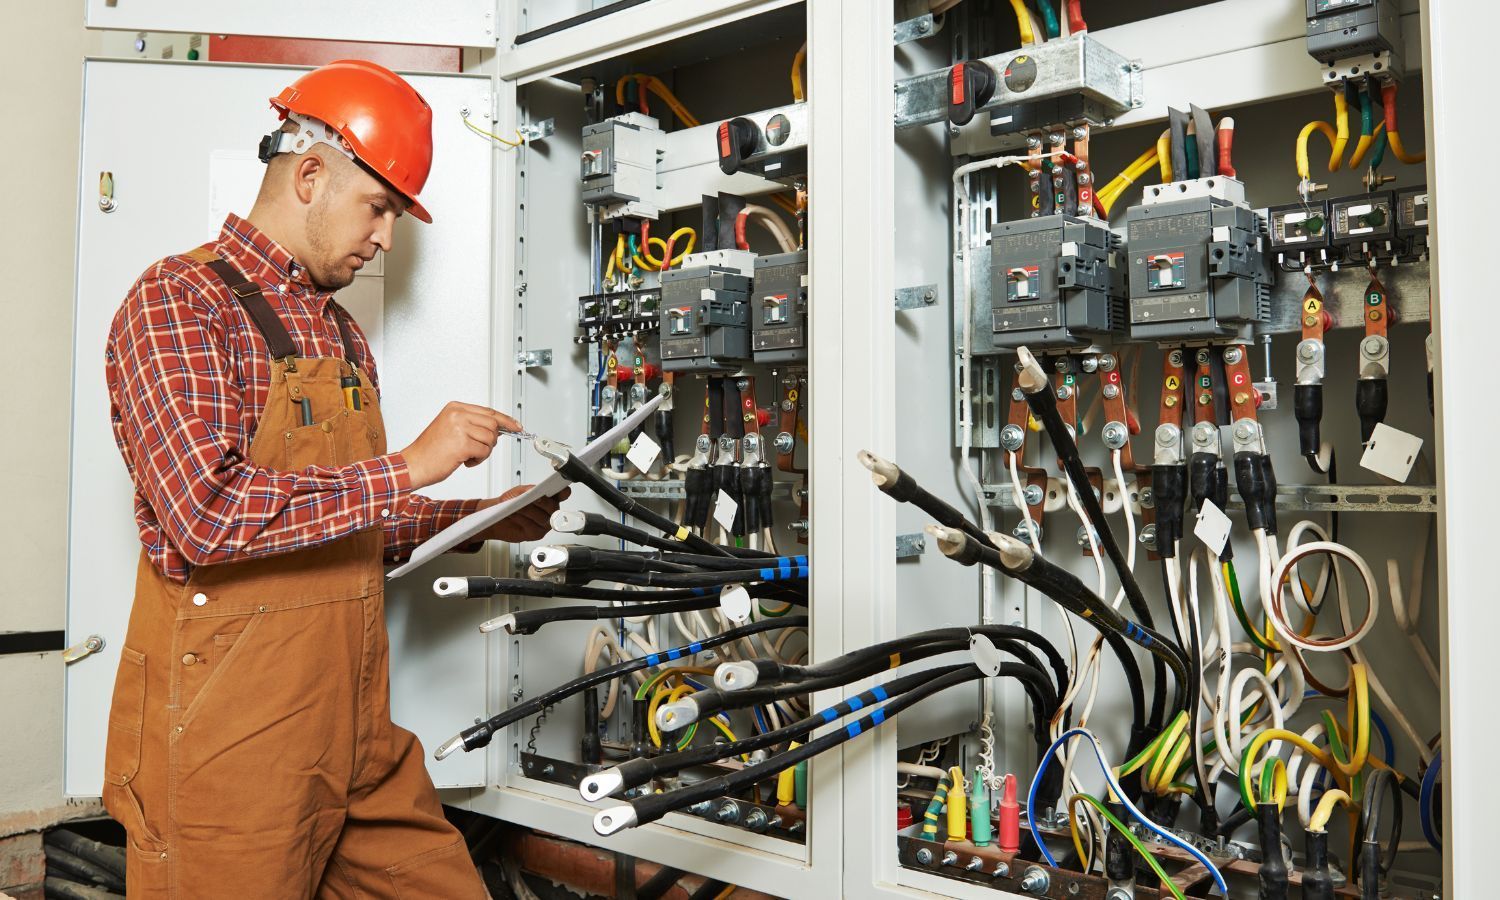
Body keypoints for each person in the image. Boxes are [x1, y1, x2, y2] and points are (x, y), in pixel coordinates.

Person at [100, 59, 555, 897]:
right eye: (378, 207)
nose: (385, 237)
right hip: (229, 756)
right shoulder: (177, 303)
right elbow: (208, 515)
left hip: (355, 738)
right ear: (310, 175)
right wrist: (413, 464)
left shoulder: (342, 337)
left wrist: (477, 518)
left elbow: (342, 521)